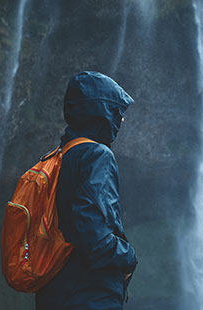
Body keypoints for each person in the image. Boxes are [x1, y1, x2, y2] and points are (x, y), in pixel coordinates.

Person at [35, 71, 138, 309]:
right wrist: (128, 257)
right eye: (117, 112)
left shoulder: (57, 157)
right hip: (90, 296)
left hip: (54, 293)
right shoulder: (96, 156)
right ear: (101, 113)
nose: (121, 120)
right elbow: (94, 238)